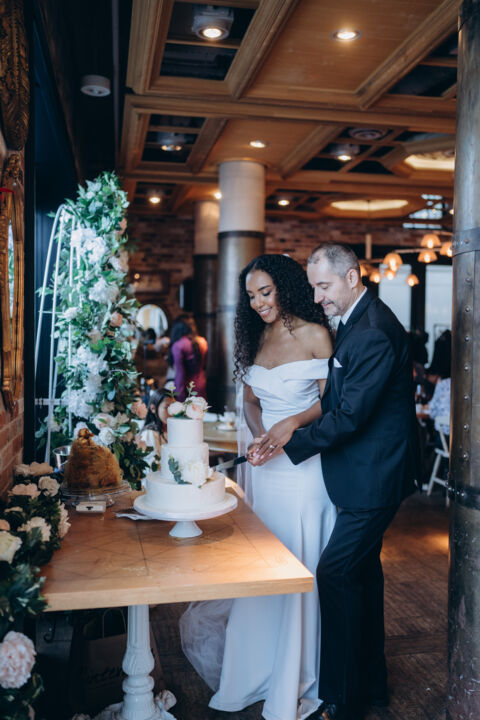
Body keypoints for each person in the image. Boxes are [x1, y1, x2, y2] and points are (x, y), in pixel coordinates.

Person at [252, 244, 418, 720]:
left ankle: (343, 701)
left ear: (352, 276)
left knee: (335, 572)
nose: (317, 297)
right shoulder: (353, 321)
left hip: (376, 476)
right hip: (363, 473)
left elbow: (349, 416)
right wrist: (290, 423)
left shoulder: (373, 332)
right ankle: (373, 686)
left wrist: (289, 441)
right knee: (362, 576)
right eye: (313, 287)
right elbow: (337, 400)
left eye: (323, 286)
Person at [180, 254, 336, 720]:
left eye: (265, 292)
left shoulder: (316, 334)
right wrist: (260, 434)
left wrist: (290, 425)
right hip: (267, 468)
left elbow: (331, 403)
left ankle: (295, 675)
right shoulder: (256, 338)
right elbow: (249, 400)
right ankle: (254, 671)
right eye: (250, 296)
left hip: (304, 469)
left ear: (286, 287)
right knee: (261, 566)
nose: (258, 303)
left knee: (299, 560)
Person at [169, 315, 207, 400]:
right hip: (201, 385)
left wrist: (179, 395)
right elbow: (204, 365)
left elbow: (180, 374)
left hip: (185, 388)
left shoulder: (178, 346)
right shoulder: (203, 342)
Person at [137, 387, 172, 469]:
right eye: (167, 407)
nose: (171, 412)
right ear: (153, 408)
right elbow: (152, 466)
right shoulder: (149, 433)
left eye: (173, 407)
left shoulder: (174, 431)